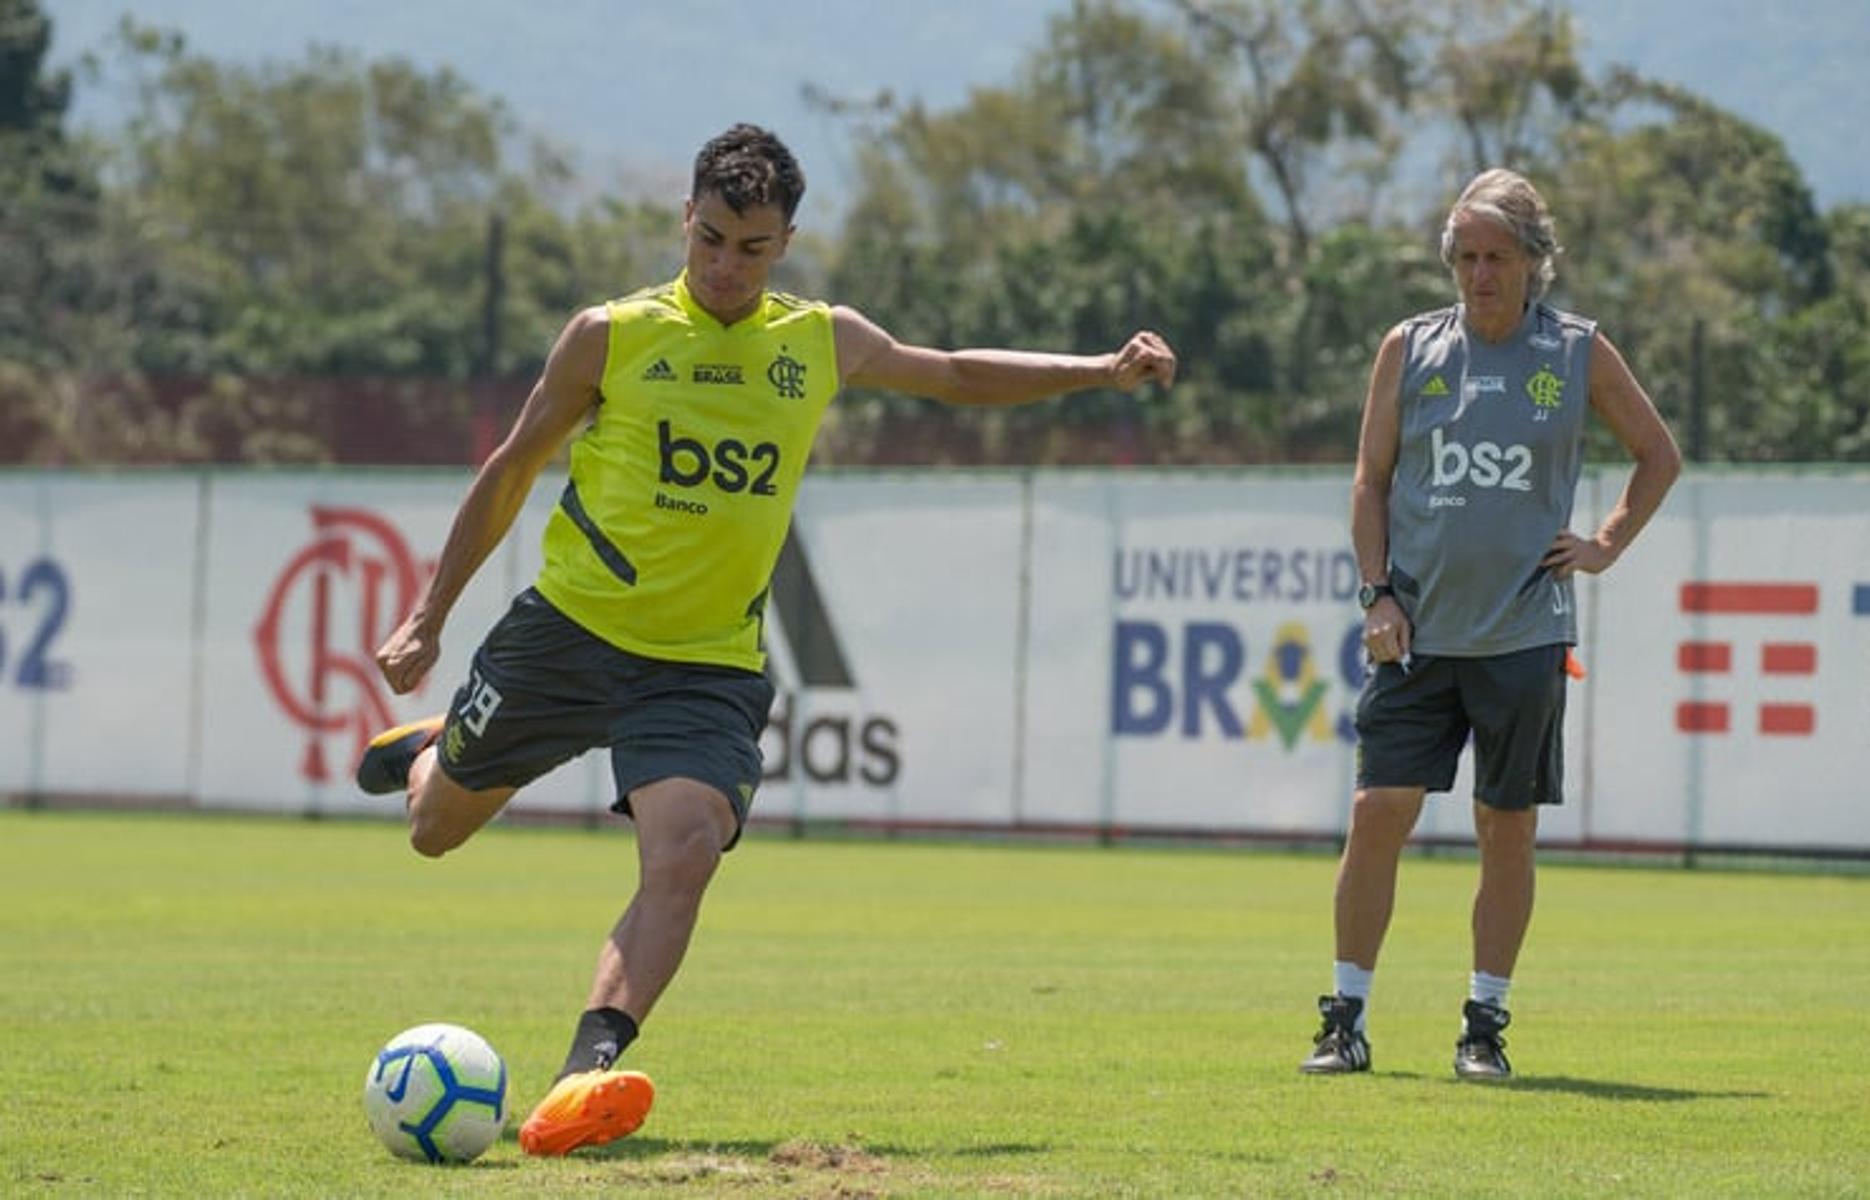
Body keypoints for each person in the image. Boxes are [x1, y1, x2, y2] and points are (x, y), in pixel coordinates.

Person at [356, 123, 1177, 1156]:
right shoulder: (610, 335)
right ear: (684, 222)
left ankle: (583, 1076)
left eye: (751, 248)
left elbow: (957, 374)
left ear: (787, 240)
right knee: (432, 829)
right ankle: (438, 750)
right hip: (567, 634)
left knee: (687, 848)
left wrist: (1100, 370)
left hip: (705, 665)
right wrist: (430, 617)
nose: (726, 267)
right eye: (709, 241)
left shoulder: (818, 340)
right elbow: (513, 468)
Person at [1298, 168, 1680, 1080]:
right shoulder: (1411, 347)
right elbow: (1369, 481)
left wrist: (1606, 543)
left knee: (1504, 827)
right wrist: (1375, 592)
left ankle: (1484, 1025)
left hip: (1524, 634)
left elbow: (1657, 454)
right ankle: (1344, 1017)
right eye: (1465, 256)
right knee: (1376, 810)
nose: (1479, 273)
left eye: (1497, 256)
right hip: (1415, 635)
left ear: (1534, 261)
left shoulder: (1577, 350)